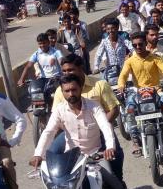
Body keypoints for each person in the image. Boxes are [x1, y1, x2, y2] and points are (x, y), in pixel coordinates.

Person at [30, 74, 130, 189]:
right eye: (67, 91)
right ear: (62, 92)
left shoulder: (93, 106)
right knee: (56, 185)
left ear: (80, 89)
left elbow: (105, 126)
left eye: (74, 90)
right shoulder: (59, 110)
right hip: (72, 158)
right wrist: (38, 153)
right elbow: (48, 132)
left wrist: (110, 147)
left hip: (94, 156)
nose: (71, 94)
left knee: (112, 179)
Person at [50, 54, 126, 182]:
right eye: (64, 71)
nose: (66, 74)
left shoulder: (100, 85)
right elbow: (55, 118)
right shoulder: (60, 90)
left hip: (99, 133)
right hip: (71, 134)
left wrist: (97, 129)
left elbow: (113, 110)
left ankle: (119, 186)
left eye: (70, 70)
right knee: (53, 154)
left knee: (115, 155)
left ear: (81, 68)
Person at [118, 32, 163, 157]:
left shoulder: (155, 58)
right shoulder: (130, 61)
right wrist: (121, 86)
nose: (138, 47)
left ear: (145, 44)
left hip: (156, 90)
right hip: (138, 92)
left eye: (140, 44)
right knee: (129, 110)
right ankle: (135, 140)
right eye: (135, 45)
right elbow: (123, 76)